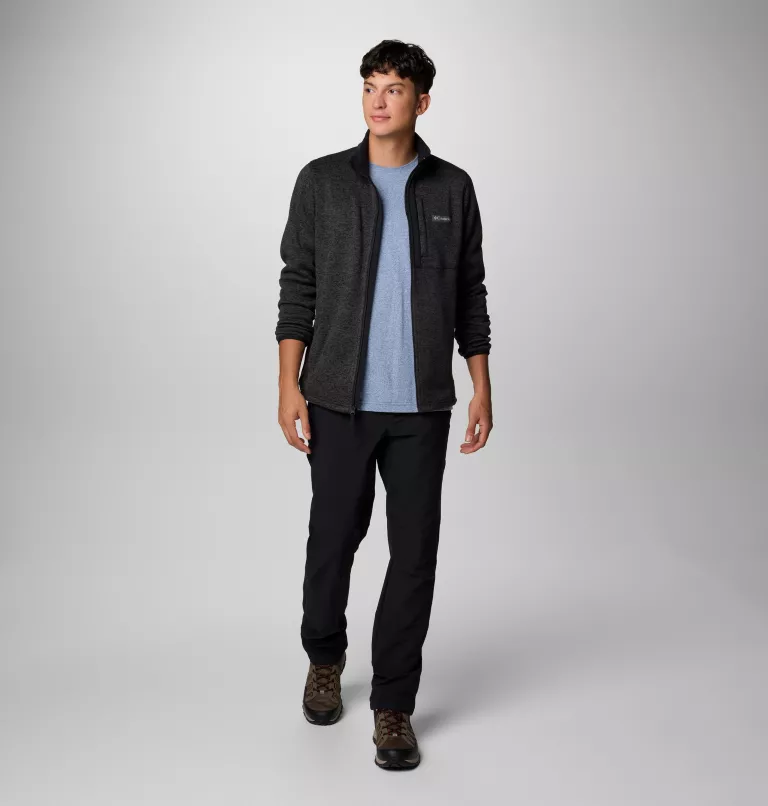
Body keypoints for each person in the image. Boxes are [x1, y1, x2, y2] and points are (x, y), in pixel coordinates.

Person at [275, 39, 493, 771]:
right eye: (371, 86)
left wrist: (480, 385)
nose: (379, 100)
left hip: (422, 407)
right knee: (332, 540)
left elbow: (470, 295)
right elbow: (297, 285)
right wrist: (288, 384)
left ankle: (394, 704)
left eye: (394, 89)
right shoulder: (322, 182)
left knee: (415, 555)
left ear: (421, 102)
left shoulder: (452, 189)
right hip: (338, 401)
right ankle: (324, 658)